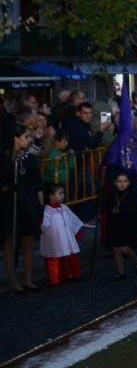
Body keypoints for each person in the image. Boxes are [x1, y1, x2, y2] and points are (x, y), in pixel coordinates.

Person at [1, 124, 44, 292]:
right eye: (26, 137)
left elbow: (37, 181)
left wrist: (40, 206)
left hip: (28, 202)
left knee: (28, 241)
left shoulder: (29, 157)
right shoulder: (5, 158)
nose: (29, 140)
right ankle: (13, 281)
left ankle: (28, 279)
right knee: (10, 242)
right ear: (15, 138)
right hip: (10, 203)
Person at [39, 184, 82, 285]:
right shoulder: (47, 210)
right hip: (54, 239)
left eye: (63, 193)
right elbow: (44, 225)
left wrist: (77, 231)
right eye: (60, 193)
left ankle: (71, 274)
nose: (63, 196)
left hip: (66, 238)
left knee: (69, 254)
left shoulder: (64, 207)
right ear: (51, 196)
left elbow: (72, 219)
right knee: (55, 256)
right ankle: (56, 278)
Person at [105, 172, 137, 281]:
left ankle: (135, 259)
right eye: (119, 181)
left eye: (125, 181)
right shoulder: (112, 195)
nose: (122, 184)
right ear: (115, 183)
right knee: (116, 248)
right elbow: (106, 207)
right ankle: (121, 272)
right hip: (115, 224)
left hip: (127, 225)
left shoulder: (133, 196)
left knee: (124, 247)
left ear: (129, 183)